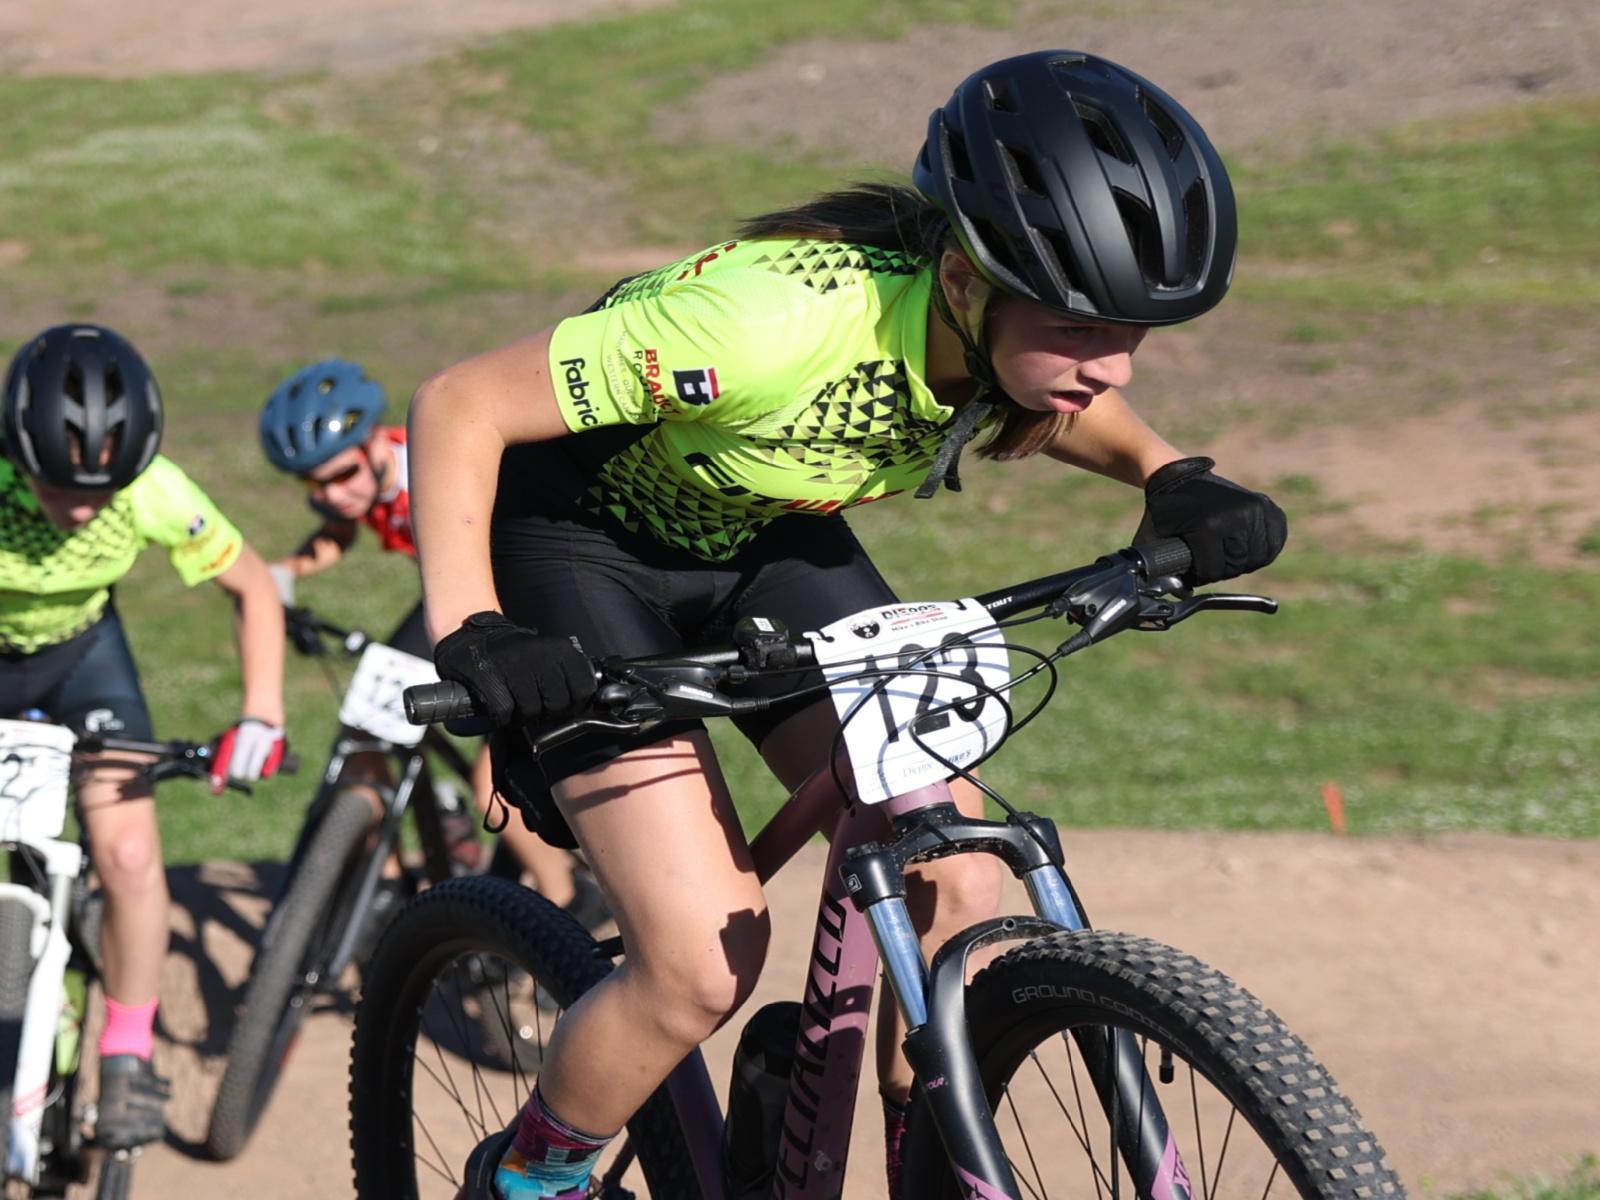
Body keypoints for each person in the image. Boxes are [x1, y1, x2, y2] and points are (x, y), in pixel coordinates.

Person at [408, 50, 1287, 1200]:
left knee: (958, 875)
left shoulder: (990, 337)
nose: (1108, 364)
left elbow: (1054, 393)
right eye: (1081, 328)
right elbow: (460, 403)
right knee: (698, 965)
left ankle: (927, 1165)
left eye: (1133, 332)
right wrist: (471, 629)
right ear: (969, 280)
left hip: (769, 538)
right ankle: (528, 1180)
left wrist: (1166, 473)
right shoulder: (761, 326)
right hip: (582, 546)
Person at [0, 323, 288, 1148]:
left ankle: (126, 1050)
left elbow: (254, 589)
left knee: (128, 854)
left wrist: (261, 713)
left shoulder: (155, 490)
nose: (84, 508)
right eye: (60, 488)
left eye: (104, 490)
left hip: (83, 656)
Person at [257, 360, 605, 924]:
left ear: (375, 443)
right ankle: (385, 881)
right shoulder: (363, 483)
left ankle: (569, 899)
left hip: (516, 588)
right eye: (315, 487)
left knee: (493, 777)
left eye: (342, 476)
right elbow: (340, 530)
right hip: (459, 592)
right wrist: (284, 572)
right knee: (367, 729)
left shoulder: (428, 469)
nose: (334, 496)